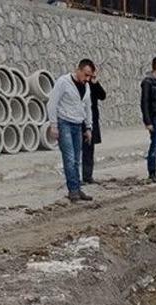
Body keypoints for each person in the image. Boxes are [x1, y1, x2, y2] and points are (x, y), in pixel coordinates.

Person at [47, 59, 95, 202]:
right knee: (69, 158)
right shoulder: (63, 82)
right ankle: (73, 190)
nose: (87, 79)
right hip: (65, 123)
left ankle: (77, 188)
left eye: (89, 76)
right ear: (78, 70)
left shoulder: (86, 87)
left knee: (76, 160)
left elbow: (87, 107)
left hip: (78, 124)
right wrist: (53, 125)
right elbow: (52, 103)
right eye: (85, 75)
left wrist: (88, 127)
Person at [82, 67, 106, 184]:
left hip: (92, 119)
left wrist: (95, 83)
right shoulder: (79, 84)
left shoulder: (92, 84)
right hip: (79, 119)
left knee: (89, 149)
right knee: (77, 150)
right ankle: (77, 177)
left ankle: (87, 176)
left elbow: (102, 96)